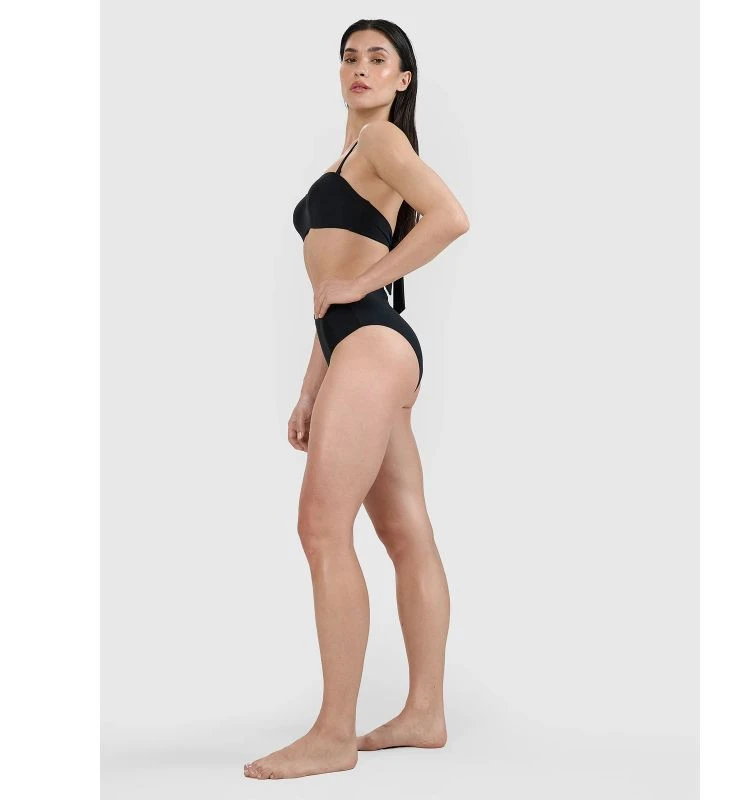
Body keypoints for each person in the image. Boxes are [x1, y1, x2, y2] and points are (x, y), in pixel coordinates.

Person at [244, 18, 469, 781]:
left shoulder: (381, 141)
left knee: (320, 527)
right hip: (358, 348)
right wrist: (311, 388)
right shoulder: (351, 154)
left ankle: (333, 734)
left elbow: (451, 218)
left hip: (372, 345)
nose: (360, 68)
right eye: (349, 57)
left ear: (403, 79)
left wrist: (362, 285)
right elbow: (328, 292)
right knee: (405, 531)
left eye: (378, 58)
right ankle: (425, 714)